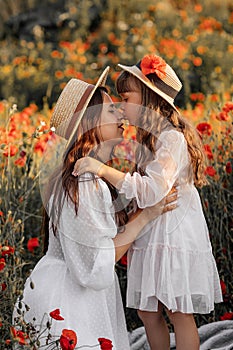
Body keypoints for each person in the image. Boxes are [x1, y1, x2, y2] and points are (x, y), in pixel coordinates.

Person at [13, 67, 177, 349]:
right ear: (90, 123)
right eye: (112, 110)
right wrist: (146, 216)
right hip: (71, 302)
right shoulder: (83, 183)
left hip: (66, 290)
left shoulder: (87, 177)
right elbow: (94, 265)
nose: (122, 115)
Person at [72, 55, 223, 350]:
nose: (120, 106)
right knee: (147, 311)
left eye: (126, 97)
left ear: (149, 99)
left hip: (172, 234)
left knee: (178, 310)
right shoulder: (151, 140)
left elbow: (153, 191)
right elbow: (139, 190)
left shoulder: (172, 139)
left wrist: (101, 168)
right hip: (153, 230)